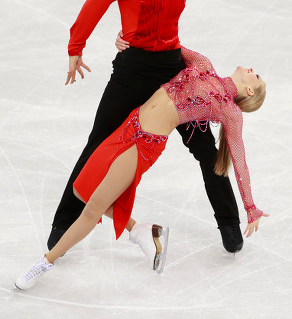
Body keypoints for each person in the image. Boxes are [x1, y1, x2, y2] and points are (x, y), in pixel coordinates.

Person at [47, 0, 243, 267]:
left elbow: (166, 27)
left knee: (204, 147)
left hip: (173, 72)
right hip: (132, 70)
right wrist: (76, 47)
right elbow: (95, 5)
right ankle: (63, 222)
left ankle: (228, 221)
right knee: (98, 142)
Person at [15, 46, 269, 290]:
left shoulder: (230, 111)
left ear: (248, 89)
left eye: (255, 76)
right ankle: (141, 230)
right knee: (81, 191)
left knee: (92, 208)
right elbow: (164, 45)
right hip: (130, 124)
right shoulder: (203, 64)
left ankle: (44, 262)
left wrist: (250, 206)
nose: (252, 69)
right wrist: (127, 37)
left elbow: (239, 159)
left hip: (146, 143)